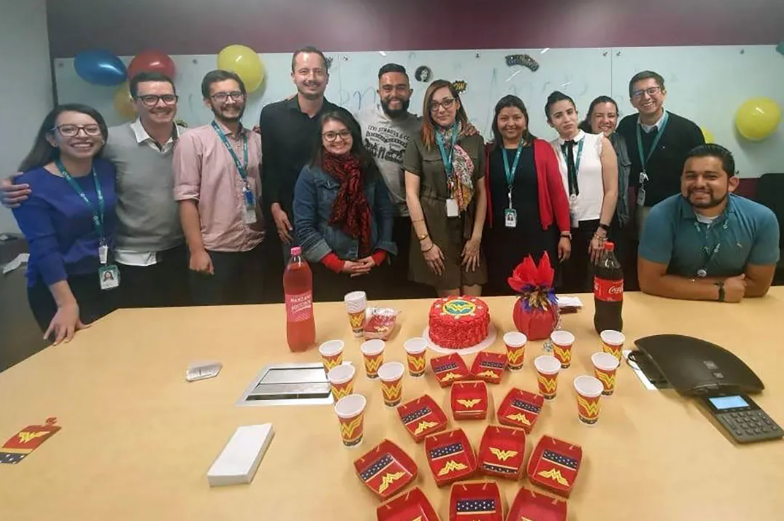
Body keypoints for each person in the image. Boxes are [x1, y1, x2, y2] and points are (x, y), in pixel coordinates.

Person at [2, 72, 189, 309]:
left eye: (167, 97)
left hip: (179, 253)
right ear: (134, 102)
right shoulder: (112, 142)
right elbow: (64, 169)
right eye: (150, 98)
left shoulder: (192, 140)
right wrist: (9, 186)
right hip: (126, 258)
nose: (160, 104)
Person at [11, 104, 118, 344]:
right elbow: (43, 248)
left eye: (91, 129)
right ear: (51, 138)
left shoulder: (105, 170)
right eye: (69, 129)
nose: (82, 135)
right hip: (60, 286)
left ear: (101, 136)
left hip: (105, 277)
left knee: (114, 349)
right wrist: (66, 303)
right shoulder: (30, 185)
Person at [638, 144, 779, 302]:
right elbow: (650, 282)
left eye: (710, 177)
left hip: (736, 308)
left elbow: (759, 286)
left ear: (731, 183)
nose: (699, 183)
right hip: (673, 305)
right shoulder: (661, 214)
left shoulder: (761, 218)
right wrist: (719, 291)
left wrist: (679, 284)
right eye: (690, 176)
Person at [173, 70, 264, 305]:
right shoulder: (193, 141)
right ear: (207, 101)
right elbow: (186, 199)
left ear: (244, 97)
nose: (230, 101)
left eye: (236, 94)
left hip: (256, 246)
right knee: (216, 324)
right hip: (215, 251)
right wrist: (196, 251)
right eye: (221, 96)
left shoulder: (257, 141)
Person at [293, 108, 396, 301]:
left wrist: (380, 254)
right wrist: (336, 264)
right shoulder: (311, 173)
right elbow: (304, 227)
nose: (338, 139)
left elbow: (385, 212)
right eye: (330, 135)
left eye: (344, 133)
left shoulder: (368, 166)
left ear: (353, 134)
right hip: (331, 271)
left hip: (370, 265)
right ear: (321, 139)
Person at [403, 79, 487, 297]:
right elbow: (411, 194)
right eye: (434, 105)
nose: (441, 109)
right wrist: (425, 243)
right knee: (452, 306)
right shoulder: (418, 141)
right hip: (435, 229)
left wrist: (476, 237)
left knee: (473, 302)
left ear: (457, 104)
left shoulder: (474, 139)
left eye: (447, 102)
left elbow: (481, 192)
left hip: (469, 229)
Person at [482, 95, 571, 295]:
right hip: (498, 239)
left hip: (537, 236)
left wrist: (565, 232)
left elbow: (557, 192)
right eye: (504, 118)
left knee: (537, 294)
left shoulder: (541, 148)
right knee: (501, 291)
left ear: (525, 120)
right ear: (497, 122)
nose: (511, 123)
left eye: (516, 117)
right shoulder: (488, 152)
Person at [355, 63, 430, 298]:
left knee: (411, 283)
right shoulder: (359, 119)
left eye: (400, 87)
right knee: (379, 285)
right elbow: (328, 123)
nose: (394, 94)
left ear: (410, 92)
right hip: (373, 218)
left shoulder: (421, 126)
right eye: (387, 88)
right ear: (379, 92)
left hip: (411, 218)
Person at [546, 91, 618, 293]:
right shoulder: (548, 149)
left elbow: (612, 190)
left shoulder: (599, 142)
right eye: (558, 115)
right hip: (563, 229)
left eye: (570, 112)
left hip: (594, 226)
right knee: (566, 288)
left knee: (594, 285)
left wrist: (601, 231)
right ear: (550, 122)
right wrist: (563, 232)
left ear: (577, 113)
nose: (566, 119)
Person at [616, 71, 704, 234]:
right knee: (647, 253)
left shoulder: (687, 130)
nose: (646, 97)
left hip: (679, 208)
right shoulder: (626, 126)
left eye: (652, 90)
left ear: (663, 93)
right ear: (632, 101)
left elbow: (701, 172)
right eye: (638, 93)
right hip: (642, 208)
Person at [579, 95, 637, 289]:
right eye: (599, 116)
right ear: (589, 118)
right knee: (590, 277)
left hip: (619, 220)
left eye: (611, 115)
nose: (606, 121)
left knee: (615, 276)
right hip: (592, 223)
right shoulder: (582, 143)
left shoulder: (622, 141)